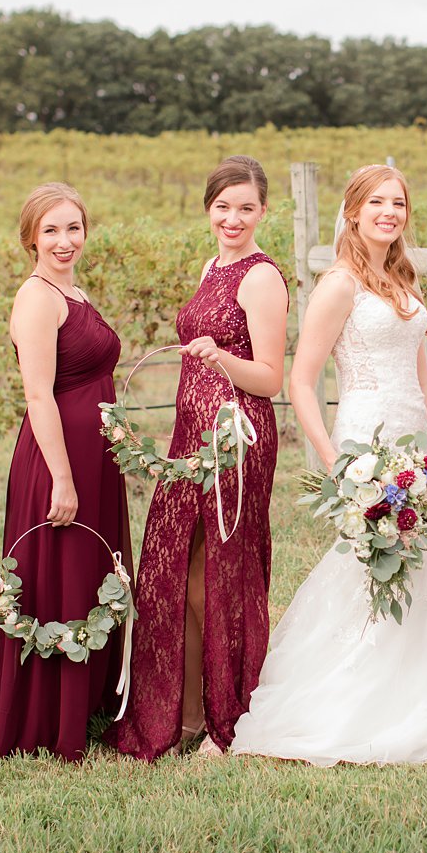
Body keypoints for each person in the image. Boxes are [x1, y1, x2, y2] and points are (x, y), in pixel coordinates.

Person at [231, 164, 427, 765]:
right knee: (372, 558)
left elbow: (421, 372)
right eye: (378, 203)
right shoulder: (338, 284)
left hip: (413, 436)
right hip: (364, 439)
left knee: (426, 556)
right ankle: (358, 697)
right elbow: (301, 381)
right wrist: (336, 462)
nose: (389, 213)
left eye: (399, 203)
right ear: (354, 211)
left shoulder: (402, 279)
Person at [110, 156, 287, 760]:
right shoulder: (212, 265)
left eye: (245, 207)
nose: (232, 218)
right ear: (207, 209)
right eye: (223, 206)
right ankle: (181, 713)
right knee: (176, 575)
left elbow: (269, 377)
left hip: (235, 440)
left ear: (263, 212)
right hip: (189, 441)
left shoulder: (261, 277)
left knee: (218, 579)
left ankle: (225, 717)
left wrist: (220, 359)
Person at [0, 184, 131, 761]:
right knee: (55, 576)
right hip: (58, 457)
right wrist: (62, 476)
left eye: (74, 228)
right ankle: (43, 717)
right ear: (31, 236)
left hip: (95, 454)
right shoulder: (36, 298)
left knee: (87, 576)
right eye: (52, 230)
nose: (65, 241)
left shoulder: (74, 291)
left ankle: (84, 707)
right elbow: (39, 394)